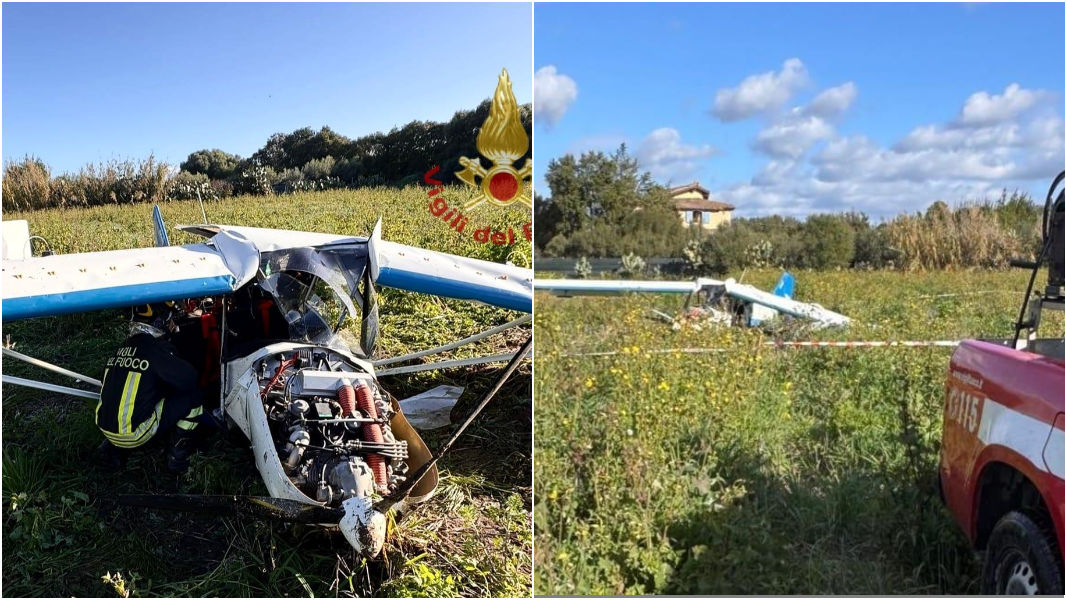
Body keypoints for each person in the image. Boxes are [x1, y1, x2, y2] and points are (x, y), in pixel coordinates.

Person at [95, 301, 214, 473]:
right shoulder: (156, 350)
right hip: (136, 433)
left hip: (106, 427)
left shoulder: (121, 349)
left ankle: (113, 448)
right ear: (160, 322)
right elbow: (190, 378)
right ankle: (178, 457)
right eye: (170, 320)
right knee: (193, 396)